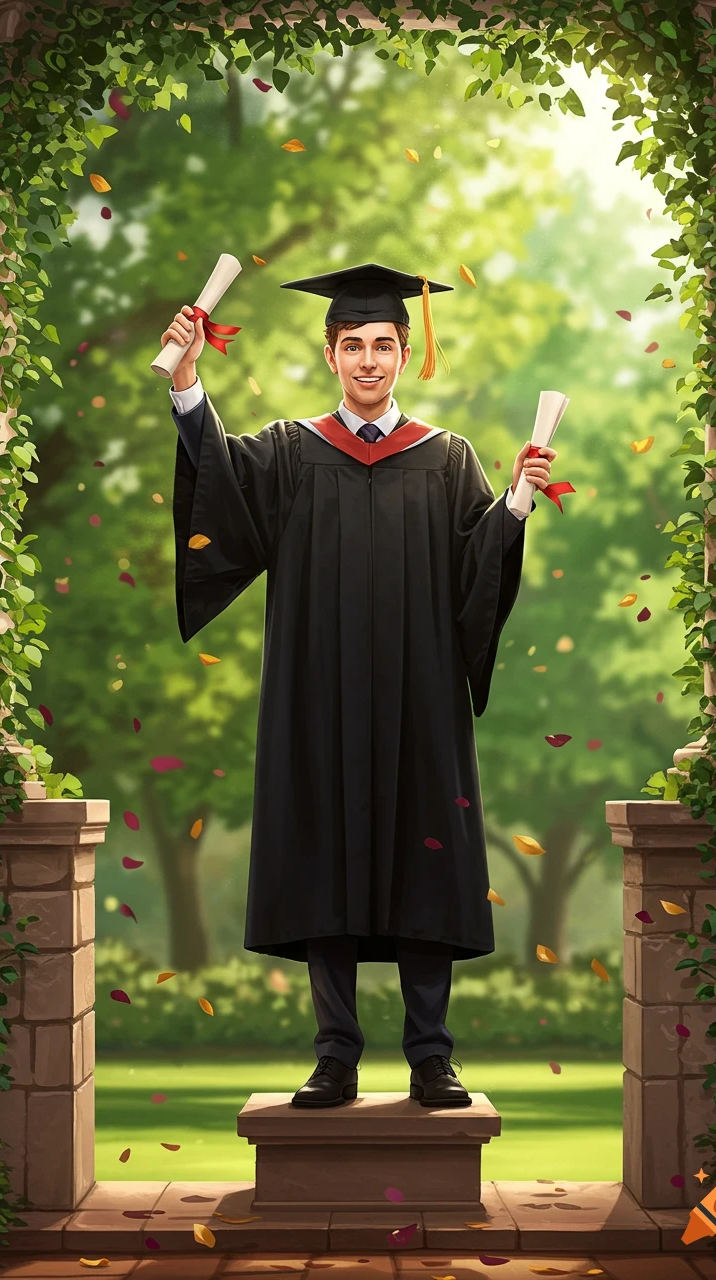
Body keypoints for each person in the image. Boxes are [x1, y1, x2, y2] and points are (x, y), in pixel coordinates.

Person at [162, 263, 556, 1109]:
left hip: (420, 704)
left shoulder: (447, 459)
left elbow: (475, 574)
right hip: (319, 701)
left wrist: (516, 504)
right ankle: (334, 1056)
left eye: (383, 344)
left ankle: (432, 1058)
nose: (370, 360)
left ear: (405, 353)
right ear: (331, 353)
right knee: (324, 859)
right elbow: (221, 496)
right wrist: (190, 385)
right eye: (354, 345)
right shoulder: (288, 452)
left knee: (425, 853)